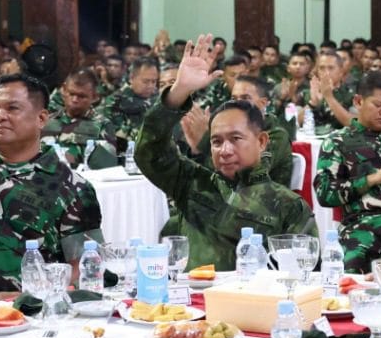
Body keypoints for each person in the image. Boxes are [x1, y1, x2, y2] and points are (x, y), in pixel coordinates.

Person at [134, 35, 317, 271]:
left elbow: (307, 274)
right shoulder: (192, 183)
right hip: (194, 302)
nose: (225, 150)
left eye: (236, 139)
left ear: (262, 141)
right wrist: (179, 91)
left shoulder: (288, 206)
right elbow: (149, 150)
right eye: (216, 142)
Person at [0, 74, 103, 317]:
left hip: (19, 316)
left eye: (12, 108)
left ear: (41, 118)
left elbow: (86, 266)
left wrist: (22, 298)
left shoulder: (72, 188)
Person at [314, 71, 381, 272]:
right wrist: (372, 179)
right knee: (351, 268)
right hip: (364, 224)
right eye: (379, 105)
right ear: (358, 101)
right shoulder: (338, 142)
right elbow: (325, 194)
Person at [181, 74, 293, 187]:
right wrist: (197, 152)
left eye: (245, 98)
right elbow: (202, 178)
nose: (237, 104)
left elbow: (246, 176)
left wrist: (205, 142)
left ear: (263, 103)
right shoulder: (229, 131)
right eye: (234, 99)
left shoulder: (277, 135)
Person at [41, 68, 117, 168]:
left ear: (94, 96)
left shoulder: (102, 125)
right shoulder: (48, 121)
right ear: (63, 89)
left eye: (81, 96)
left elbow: (107, 166)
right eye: (71, 94)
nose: (74, 100)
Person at [96, 56, 159, 153]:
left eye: (154, 81)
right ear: (131, 79)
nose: (151, 86)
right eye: (146, 81)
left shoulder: (158, 98)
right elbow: (113, 139)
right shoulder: (114, 102)